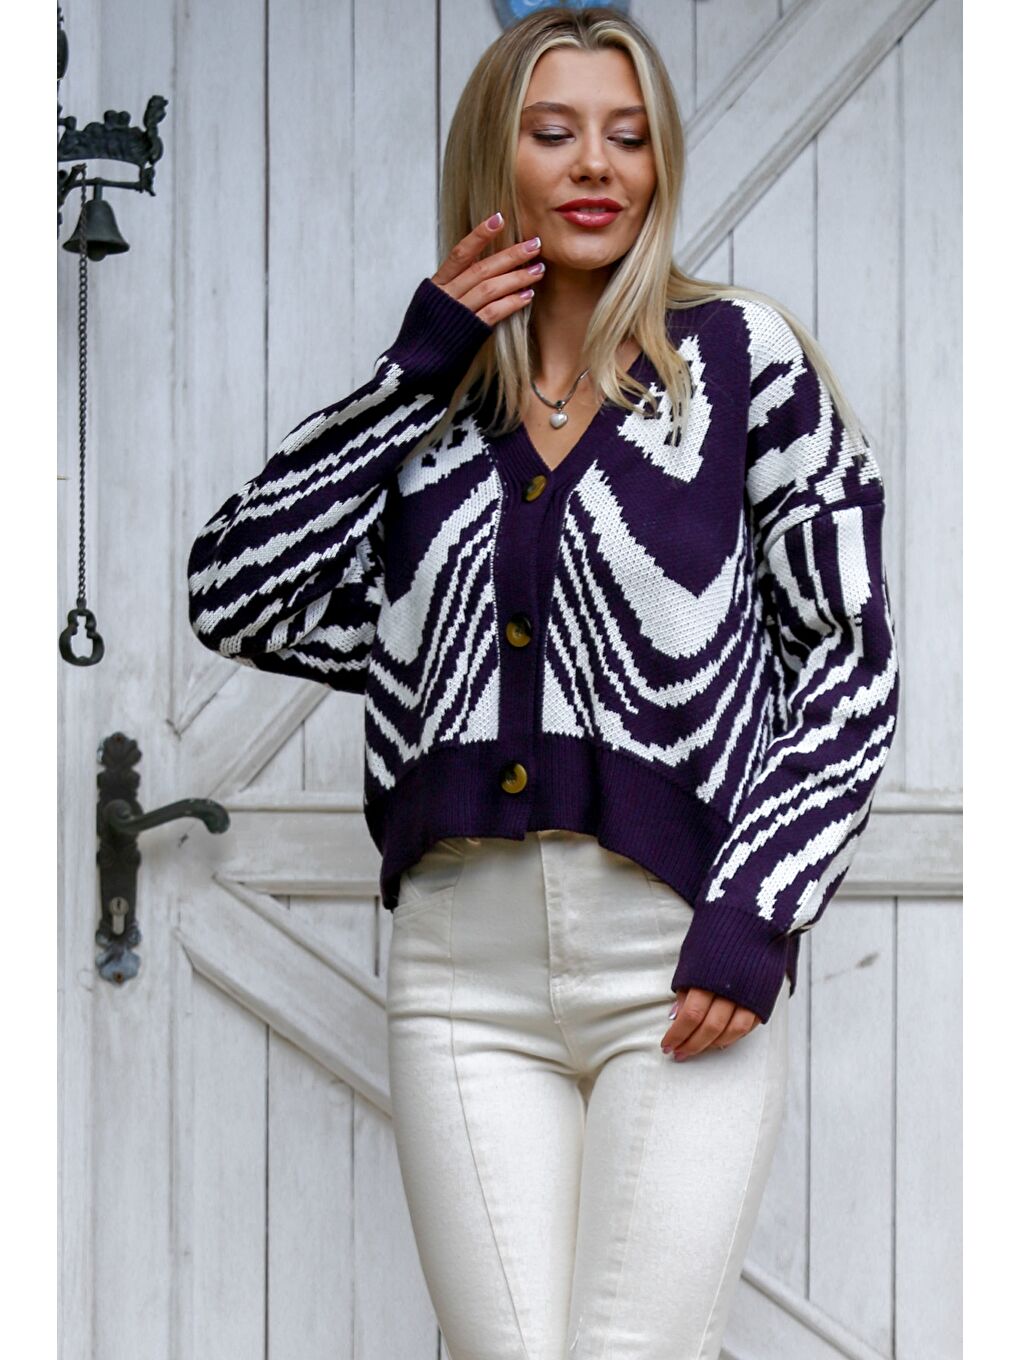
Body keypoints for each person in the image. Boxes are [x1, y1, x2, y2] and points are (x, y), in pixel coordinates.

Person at [186, 7, 900, 1357]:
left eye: (628, 136)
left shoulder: (742, 362)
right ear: (490, 159)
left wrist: (759, 912)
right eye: (554, 131)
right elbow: (235, 591)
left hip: (677, 956)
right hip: (461, 972)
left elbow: (846, 656)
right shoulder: (435, 408)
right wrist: (411, 369)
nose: (595, 166)